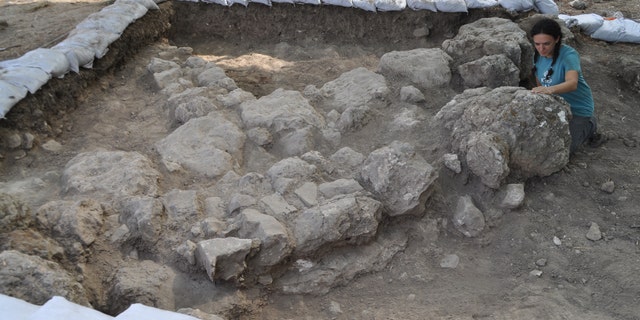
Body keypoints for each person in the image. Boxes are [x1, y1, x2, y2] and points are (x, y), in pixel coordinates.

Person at [530, 18, 605, 154]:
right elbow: (539, 80)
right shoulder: (537, 55)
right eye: (537, 44)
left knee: (565, 150)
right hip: (557, 105)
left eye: (546, 44)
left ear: (557, 39)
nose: (541, 48)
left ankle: (590, 125)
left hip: (578, 109)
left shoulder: (569, 55)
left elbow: (572, 83)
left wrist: (549, 90)